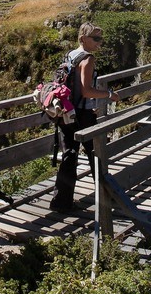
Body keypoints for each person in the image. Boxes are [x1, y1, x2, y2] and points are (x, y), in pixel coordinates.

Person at [50, 22, 118, 213]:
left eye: (101, 38)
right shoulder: (87, 59)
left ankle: (61, 202)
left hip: (67, 112)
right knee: (95, 154)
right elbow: (87, 91)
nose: (100, 42)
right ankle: (106, 198)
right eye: (96, 38)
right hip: (82, 114)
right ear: (83, 39)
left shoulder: (71, 55)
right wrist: (108, 94)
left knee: (69, 155)